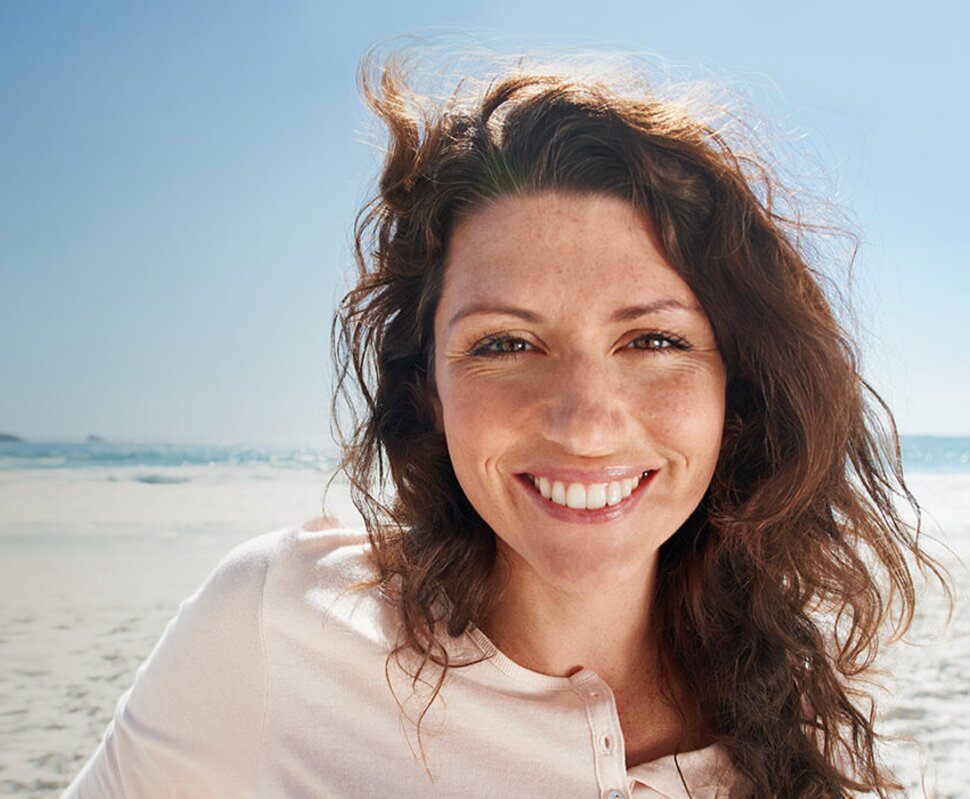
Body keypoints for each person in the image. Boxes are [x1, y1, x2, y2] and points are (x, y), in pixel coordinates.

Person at [63, 51, 945, 799]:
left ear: (738, 388)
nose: (586, 424)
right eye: (507, 342)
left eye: (653, 339)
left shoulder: (793, 720)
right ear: (426, 388)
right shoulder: (275, 625)